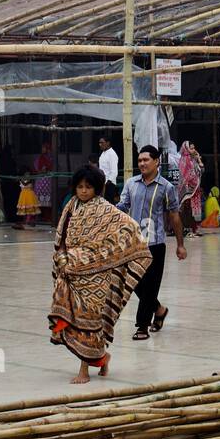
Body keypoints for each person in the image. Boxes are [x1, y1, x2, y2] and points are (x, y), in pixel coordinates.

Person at [49, 164, 151, 383]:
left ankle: (84, 370)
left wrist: (105, 254)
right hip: (72, 273)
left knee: (91, 322)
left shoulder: (105, 209)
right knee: (75, 321)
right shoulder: (71, 207)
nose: (84, 191)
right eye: (80, 187)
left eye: (88, 187)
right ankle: (102, 358)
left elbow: (129, 228)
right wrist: (64, 259)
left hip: (97, 275)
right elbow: (63, 235)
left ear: (97, 188)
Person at [117, 145, 186, 337]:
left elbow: (174, 216)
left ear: (156, 162)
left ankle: (142, 326)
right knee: (134, 283)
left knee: (151, 285)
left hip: (155, 244)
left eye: (146, 160)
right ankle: (160, 310)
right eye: (140, 160)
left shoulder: (167, 187)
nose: (142, 164)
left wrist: (180, 245)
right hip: (133, 243)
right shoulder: (131, 184)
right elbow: (123, 206)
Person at [177, 141, 205, 237]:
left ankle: (195, 229)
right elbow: (186, 176)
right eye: (191, 148)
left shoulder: (194, 160)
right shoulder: (183, 160)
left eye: (194, 148)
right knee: (187, 210)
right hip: (187, 191)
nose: (194, 150)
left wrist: (199, 160)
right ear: (186, 149)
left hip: (195, 191)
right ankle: (187, 229)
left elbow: (202, 171)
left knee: (195, 210)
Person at [33, 142, 53, 223]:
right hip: (40, 182)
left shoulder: (51, 158)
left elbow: (51, 167)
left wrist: (46, 169)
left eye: (44, 148)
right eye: (42, 148)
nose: (43, 149)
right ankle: (37, 217)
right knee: (38, 200)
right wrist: (40, 171)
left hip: (47, 182)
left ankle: (47, 217)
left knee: (47, 200)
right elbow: (36, 168)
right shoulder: (39, 158)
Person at [97, 136, 119, 203]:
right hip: (102, 183)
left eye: (102, 143)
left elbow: (114, 171)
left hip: (109, 184)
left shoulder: (112, 154)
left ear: (108, 143)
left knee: (109, 204)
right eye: (99, 143)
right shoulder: (103, 153)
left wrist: (107, 183)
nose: (100, 144)